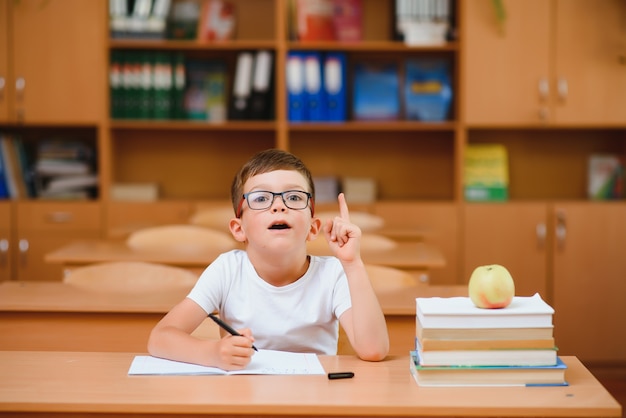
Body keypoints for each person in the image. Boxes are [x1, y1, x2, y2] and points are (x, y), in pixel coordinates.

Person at [148, 149, 389, 370]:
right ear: (238, 229)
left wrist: (352, 264)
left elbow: (374, 350)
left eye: (294, 198)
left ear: (313, 228)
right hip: (244, 397)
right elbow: (160, 338)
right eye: (261, 198)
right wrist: (212, 353)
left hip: (315, 398)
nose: (279, 206)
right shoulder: (227, 270)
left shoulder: (333, 273)